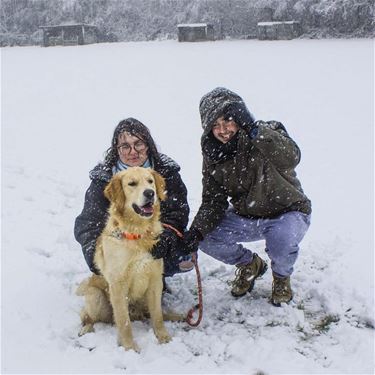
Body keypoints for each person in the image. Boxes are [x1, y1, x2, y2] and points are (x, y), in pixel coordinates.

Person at [183, 87, 311, 305]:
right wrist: (196, 232)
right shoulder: (213, 153)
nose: (223, 130)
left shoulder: (265, 131)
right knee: (207, 237)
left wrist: (253, 128)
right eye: (215, 125)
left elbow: (291, 157)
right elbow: (213, 201)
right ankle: (250, 264)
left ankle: (281, 278)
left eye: (228, 121)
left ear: (239, 117)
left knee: (281, 241)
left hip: (289, 212)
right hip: (248, 216)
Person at [74, 117, 193, 284]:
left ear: (148, 145)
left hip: (153, 238)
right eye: (125, 146)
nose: (132, 151)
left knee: (179, 253)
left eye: (138, 144)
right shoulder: (104, 179)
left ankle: (156, 278)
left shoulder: (166, 172)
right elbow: (88, 222)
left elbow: (178, 211)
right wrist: (95, 253)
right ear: (116, 150)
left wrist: (166, 237)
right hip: (120, 243)